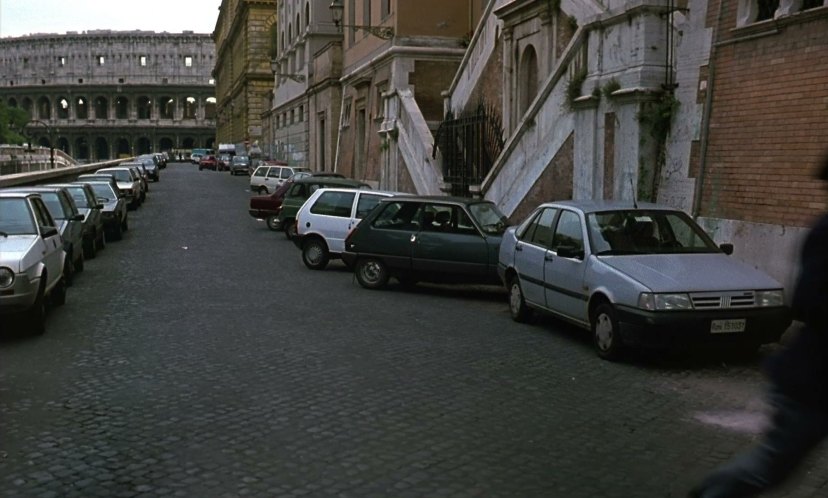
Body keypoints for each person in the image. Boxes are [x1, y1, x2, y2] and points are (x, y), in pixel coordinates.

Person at [689, 153, 828, 497]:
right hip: (812, 383)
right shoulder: (825, 232)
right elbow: (807, 302)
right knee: (770, 466)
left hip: (815, 379)